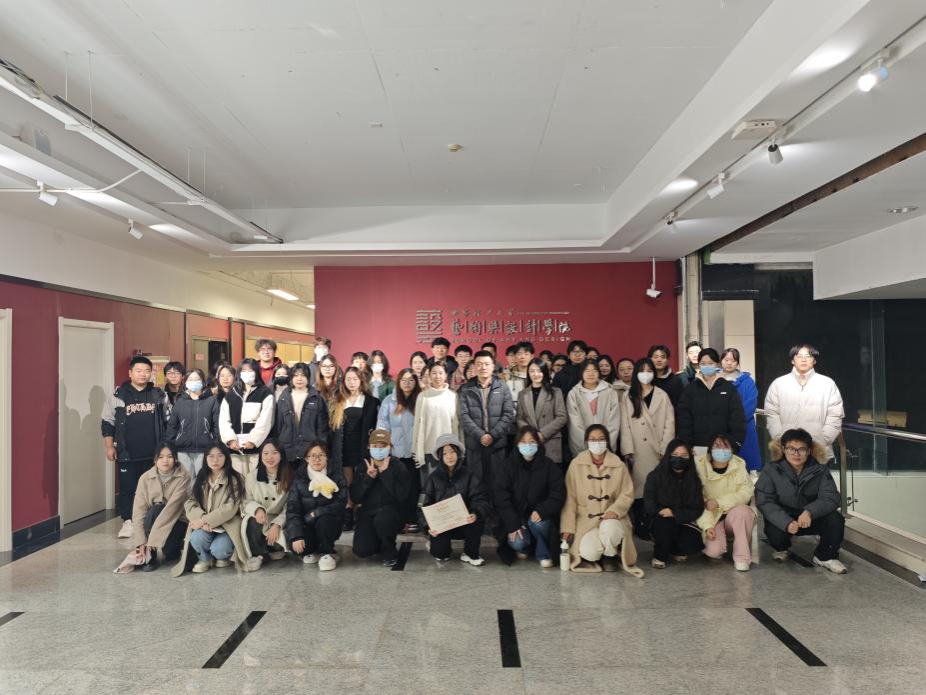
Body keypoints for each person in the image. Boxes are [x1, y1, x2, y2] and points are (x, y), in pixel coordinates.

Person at [755, 428, 846, 573]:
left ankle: (825, 556)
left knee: (835, 519)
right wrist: (785, 522)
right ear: (783, 449)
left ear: (808, 451)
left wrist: (810, 511)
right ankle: (781, 548)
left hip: (810, 517)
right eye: (791, 449)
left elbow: (831, 497)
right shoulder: (771, 469)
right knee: (775, 530)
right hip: (784, 516)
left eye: (801, 449)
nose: (796, 454)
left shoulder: (820, 469)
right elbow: (764, 500)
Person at [559, 425, 643, 576]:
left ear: (607, 441)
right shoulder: (576, 464)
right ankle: (599, 553)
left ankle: (610, 555)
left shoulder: (618, 465)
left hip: (612, 517)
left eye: (601, 439)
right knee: (590, 553)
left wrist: (615, 510)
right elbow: (570, 499)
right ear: (586, 441)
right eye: (592, 439)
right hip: (586, 518)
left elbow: (627, 494)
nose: (597, 443)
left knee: (611, 529)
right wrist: (568, 527)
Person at [102, 355, 169, 538]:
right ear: (130, 373)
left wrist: (166, 450)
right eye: (138, 371)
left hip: (154, 453)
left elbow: (168, 421)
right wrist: (109, 446)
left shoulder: (158, 395)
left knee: (155, 489)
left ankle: (151, 522)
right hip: (127, 452)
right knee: (128, 489)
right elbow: (107, 422)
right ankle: (129, 522)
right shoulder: (118, 396)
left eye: (147, 371)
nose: (142, 374)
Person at [494, 426, 565, 567]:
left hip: (539, 515)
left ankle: (543, 554)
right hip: (516, 516)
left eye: (532, 441)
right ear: (517, 444)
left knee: (539, 524)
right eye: (523, 442)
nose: (528, 445)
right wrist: (513, 523)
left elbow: (558, 493)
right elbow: (500, 496)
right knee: (518, 542)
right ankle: (525, 548)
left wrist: (543, 510)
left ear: (538, 443)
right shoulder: (507, 466)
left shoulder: (548, 465)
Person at [620, 358, 675, 539]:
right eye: (642, 370)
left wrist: (665, 448)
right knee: (638, 490)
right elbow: (625, 425)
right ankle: (641, 526)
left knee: (656, 489)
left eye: (649, 370)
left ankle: (655, 525)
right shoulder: (628, 395)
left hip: (657, 450)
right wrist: (628, 450)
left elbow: (669, 424)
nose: (645, 374)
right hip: (637, 451)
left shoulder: (662, 395)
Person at [172, 442, 247, 576]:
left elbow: (231, 507)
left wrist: (205, 520)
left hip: (226, 525)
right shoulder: (200, 478)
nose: (215, 460)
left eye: (219, 456)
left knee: (220, 549)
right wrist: (201, 519)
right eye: (211, 456)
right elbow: (190, 502)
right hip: (204, 525)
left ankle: (221, 557)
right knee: (196, 538)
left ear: (226, 457)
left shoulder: (235, 478)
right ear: (205, 458)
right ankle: (205, 559)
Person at [764, 344, 844, 463]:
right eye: (799, 356)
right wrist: (781, 440)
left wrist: (822, 440)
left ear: (814, 360)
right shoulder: (779, 384)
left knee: (817, 475)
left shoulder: (827, 384)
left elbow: (835, 415)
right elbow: (771, 414)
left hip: (818, 449)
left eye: (808, 356)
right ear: (792, 360)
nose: (803, 359)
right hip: (786, 450)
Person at [419, 434, 491, 566]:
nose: (449, 456)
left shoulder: (469, 475)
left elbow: (480, 498)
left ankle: (470, 553)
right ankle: (436, 548)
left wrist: (475, 513)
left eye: (452, 451)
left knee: (477, 522)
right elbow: (422, 505)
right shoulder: (433, 478)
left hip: (464, 523)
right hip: (442, 526)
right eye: (445, 453)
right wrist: (427, 526)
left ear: (458, 453)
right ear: (440, 456)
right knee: (441, 555)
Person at [695, 433, 756, 571]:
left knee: (743, 512)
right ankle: (722, 537)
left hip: (734, 513)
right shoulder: (699, 467)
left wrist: (718, 502)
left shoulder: (739, 464)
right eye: (716, 445)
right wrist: (707, 526)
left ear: (732, 449)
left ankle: (742, 558)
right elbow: (698, 500)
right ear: (710, 448)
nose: (721, 449)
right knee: (713, 552)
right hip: (712, 517)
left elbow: (746, 492)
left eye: (725, 446)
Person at [330, 366, 380, 530]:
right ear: (344, 381)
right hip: (343, 446)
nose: (352, 382)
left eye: (355, 379)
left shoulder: (371, 401)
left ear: (361, 381)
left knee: (362, 479)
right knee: (347, 480)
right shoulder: (338, 400)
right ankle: (348, 508)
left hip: (363, 446)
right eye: (348, 379)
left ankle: (360, 509)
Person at [351, 429, 411, 567]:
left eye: (383, 446)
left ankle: (389, 549)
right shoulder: (363, 466)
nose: (379, 449)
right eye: (375, 446)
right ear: (369, 447)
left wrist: (385, 473)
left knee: (384, 518)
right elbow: (355, 497)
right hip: (368, 513)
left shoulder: (398, 466)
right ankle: (378, 542)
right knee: (362, 550)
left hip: (391, 513)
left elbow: (402, 495)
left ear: (389, 447)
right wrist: (368, 478)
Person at [285, 441, 348, 571]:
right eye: (312, 455)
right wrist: (296, 535)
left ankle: (327, 552)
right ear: (306, 458)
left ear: (327, 457)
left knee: (325, 521)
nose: (317, 459)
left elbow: (341, 503)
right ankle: (314, 550)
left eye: (321, 455)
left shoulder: (336, 475)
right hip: (306, 523)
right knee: (299, 548)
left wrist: (318, 512)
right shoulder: (299, 478)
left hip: (329, 522)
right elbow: (292, 508)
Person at [129, 441, 190, 572]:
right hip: (152, 520)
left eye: (169, 456)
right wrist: (141, 543)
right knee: (154, 510)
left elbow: (172, 509)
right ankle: (151, 555)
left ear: (175, 458)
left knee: (171, 554)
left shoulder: (184, 476)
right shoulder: (145, 478)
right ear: (155, 459)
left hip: (177, 521)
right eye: (161, 457)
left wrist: (151, 542)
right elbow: (138, 511)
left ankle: (168, 548)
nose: (165, 460)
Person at [643, 440, 704, 569]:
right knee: (666, 527)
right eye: (675, 455)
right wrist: (663, 512)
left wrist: (675, 513)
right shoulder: (655, 476)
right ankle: (659, 556)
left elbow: (697, 508)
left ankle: (675, 549)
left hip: (683, 519)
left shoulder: (694, 480)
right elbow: (649, 503)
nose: (679, 459)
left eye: (684, 455)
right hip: (660, 518)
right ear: (668, 455)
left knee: (693, 543)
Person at [458, 350, 515, 487]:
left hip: (497, 445)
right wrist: (480, 435)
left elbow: (508, 414)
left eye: (486, 364)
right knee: (476, 484)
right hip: (475, 445)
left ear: (493, 366)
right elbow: (463, 416)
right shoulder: (466, 389)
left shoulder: (502, 386)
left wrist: (492, 435)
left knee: (498, 484)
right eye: (479, 364)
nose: (483, 367)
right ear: (474, 366)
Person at [676, 348, 746, 455]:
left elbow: (737, 419)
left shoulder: (728, 388)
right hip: (697, 448)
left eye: (710, 363)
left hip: (723, 448)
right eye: (703, 363)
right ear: (699, 365)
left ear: (717, 364)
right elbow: (683, 420)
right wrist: (687, 445)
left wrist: (734, 444)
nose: (707, 366)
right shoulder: (690, 389)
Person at [377, 368, 421, 532]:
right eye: (404, 380)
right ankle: (398, 520)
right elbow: (382, 425)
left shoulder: (420, 400)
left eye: (411, 380)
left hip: (414, 454)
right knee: (397, 489)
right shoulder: (389, 401)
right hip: (395, 454)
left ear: (415, 382)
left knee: (413, 488)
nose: (407, 383)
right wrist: (384, 451)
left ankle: (411, 519)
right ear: (399, 382)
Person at [240, 438, 292, 572]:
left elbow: (291, 506)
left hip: (280, 518)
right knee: (251, 522)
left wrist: (277, 524)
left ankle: (274, 547)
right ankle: (258, 554)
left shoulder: (289, 477)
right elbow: (245, 501)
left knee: (279, 542)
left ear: (281, 455)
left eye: (274, 453)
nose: (270, 457)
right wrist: (257, 509)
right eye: (265, 453)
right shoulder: (252, 476)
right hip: (261, 518)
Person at [218, 358, 275, 476]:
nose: (247, 373)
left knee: (256, 479)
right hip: (235, 449)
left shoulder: (265, 394)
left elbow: (265, 421)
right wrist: (230, 440)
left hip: (257, 449)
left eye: (250, 370)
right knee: (238, 480)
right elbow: (224, 421)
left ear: (256, 372)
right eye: (244, 371)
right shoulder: (231, 395)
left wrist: (253, 441)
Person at [166, 368, 220, 485]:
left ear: (203, 382)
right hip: (182, 450)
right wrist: (170, 446)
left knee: (203, 482)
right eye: (190, 379)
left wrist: (216, 444)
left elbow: (217, 426)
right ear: (185, 382)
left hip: (205, 449)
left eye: (197, 379)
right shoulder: (180, 401)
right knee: (186, 482)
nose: (194, 382)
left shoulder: (211, 401)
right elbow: (172, 426)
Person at [412, 362, 464, 475]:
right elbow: (417, 425)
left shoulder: (453, 396)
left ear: (446, 375)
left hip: (449, 450)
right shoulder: (422, 396)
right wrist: (415, 449)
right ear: (429, 375)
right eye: (434, 373)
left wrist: (461, 447)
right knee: (429, 483)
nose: (437, 376)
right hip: (428, 449)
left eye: (440, 373)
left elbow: (459, 425)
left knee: (449, 483)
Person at [516, 358, 567, 469]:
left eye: (539, 371)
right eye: (532, 371)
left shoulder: (555, 392)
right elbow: (519, 417)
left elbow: (562, 417)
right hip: (530, 442)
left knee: (551, 474)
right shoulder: (522, 394)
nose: (535, 374)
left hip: (550, 440)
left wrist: (542, 434)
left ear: (544, 372)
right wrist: (532, 435)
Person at [276, 361, 330, 465]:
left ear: (308, 378)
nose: (299, 379)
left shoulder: (316, 398)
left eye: (303, 375)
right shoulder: (284, 397)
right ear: (291, 378)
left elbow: (322, 428)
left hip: (309, 450)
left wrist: (320, 449)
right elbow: (279, 426)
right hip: (287, 449)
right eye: (296, 375)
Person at [566, 360, 621, 457]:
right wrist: (585, 445)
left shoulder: (610, 392)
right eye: (587, 371)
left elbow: (614, 421)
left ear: (599, 373)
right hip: (582, 446)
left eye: (594, 370)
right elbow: (574, 424)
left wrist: (606, 443)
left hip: (606, 444)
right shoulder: (574, 394)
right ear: (581, 373)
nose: (591, 374)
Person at [720, 348, 761, 472]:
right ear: (721, 361)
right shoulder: (714, 379)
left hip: (744, 427)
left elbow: (751, 404)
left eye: (733, 360)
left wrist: (733, 420)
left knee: (746, 466)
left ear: (737, 362)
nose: (729, 363)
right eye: (726, 360)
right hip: (719, 428)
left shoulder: (747, 381)